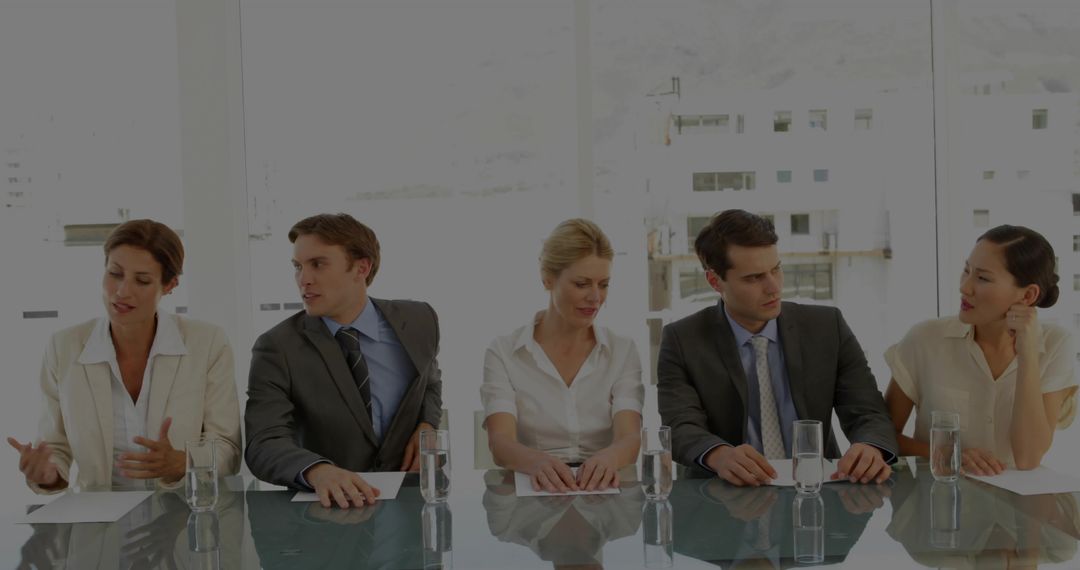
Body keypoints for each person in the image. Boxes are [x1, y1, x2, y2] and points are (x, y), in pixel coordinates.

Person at [658, 209, 898, 487]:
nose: (773, 287)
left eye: (776, 269)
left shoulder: (827, 326)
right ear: (715, 281)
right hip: (724, 493)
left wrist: (870, 447)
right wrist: (719, 455)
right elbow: (681, 426)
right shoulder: (682, 339)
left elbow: (868, 411)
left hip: (816, 487)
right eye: (754, 278)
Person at [7, 219, 242, 493]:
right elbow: (54, 446)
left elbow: (228, 449)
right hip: (99, 515)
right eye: (115, 273)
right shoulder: (63, 347)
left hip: (182, 513)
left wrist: (182, 463)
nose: (122, 291)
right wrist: (47, 474)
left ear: (169, 285)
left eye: (142, 280)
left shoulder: (207, 343)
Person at [245, 213, 443, 508]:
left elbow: (429, 381)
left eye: (318, 264)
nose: (304, 279)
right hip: (330, 511)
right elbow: (263, 442)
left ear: (361, 268)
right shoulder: (276, 347)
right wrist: (316, 471)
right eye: (298, 266)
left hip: (412, 503)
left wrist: (427, 423)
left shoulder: (419, 320)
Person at [884, 225, 1076, 474]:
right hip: (940, 492)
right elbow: (883, 437)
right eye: (966, 271)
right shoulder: (924, 339)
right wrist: (947, 454)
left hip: (1018, 498)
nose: (965, 287)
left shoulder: (1055, 344)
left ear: (1028, 295)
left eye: (983, 278)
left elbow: (1027, 458)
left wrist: (1028, 354)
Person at [481, 219, 644, 493]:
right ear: (548, 279)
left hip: (602, 491)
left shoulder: (622, 350)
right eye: (582, 284)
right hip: (534, 489)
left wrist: (609, 458)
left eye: (604, 284)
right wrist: (536, 462)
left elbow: (629, 438)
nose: (595, 297)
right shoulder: (503, 352)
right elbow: (500, 442)